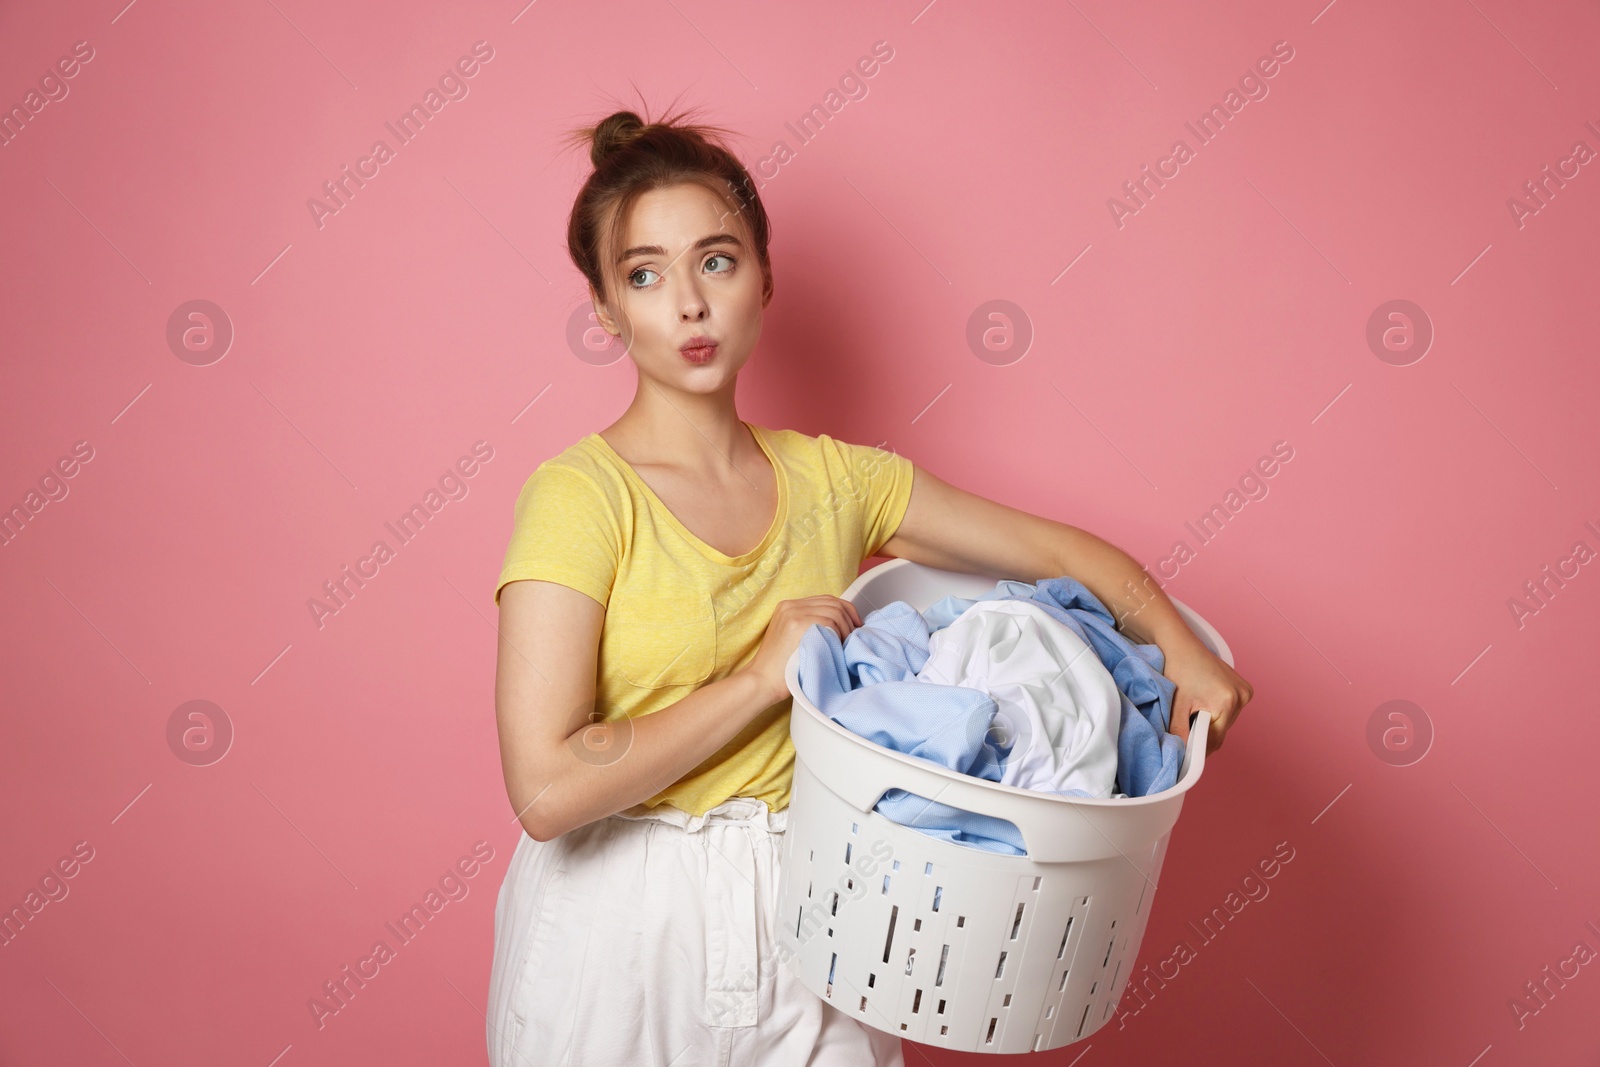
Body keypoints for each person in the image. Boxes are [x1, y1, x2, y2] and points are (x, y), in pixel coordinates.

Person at [485, 103, 1253, 1067]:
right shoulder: (579, 496)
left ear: (765, 278)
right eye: (645, 275)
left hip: (818, 892)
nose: (688, 302)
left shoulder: (838, 481)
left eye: (716, 260)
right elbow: (548, 788)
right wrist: (762, 679)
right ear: (606, 310)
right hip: (618, 918)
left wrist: (1183, 652)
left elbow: (1058, 556)